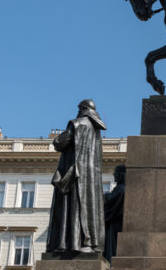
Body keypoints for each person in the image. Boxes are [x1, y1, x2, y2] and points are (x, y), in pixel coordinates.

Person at [46, 99, 106, 253]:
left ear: (84, 109)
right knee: (88, 207)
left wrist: (56, 139)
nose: (78, 111)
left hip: (74, 173)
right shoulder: (96, 130)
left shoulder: (77, 123)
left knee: (72, 207)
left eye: (79, 108)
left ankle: (69, 244)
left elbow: (60, 142)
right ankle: (88, 243)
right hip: (90, 176)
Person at [103, 164, 126, 263]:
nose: (114, 174)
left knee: (112, 247)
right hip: (117, 223)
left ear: (120, 174)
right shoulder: (122, 188)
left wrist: (106, 194)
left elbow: (110, 201)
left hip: (115, 223)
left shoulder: (121, 188)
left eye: (116, 172)